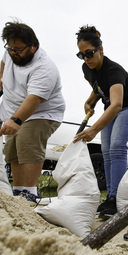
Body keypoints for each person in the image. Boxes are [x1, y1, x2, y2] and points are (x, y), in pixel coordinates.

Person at [74, 25, 128, 216]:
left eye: (89, 53)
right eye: (81, 55)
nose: (86, 58)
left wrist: (93, 129)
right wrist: (90, 101)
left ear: (100, 49)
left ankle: (116, 198)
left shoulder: (114, 70)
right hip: (110, 108)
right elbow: (98, 87)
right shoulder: (87, 68)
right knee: (106, 152)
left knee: (117, 147)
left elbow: (117, 104)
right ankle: (111, 197)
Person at [0, 21, 65, 203]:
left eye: (19, 50)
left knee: (27, 140)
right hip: (13, 111)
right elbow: (3, 70)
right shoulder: (10, 52)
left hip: (41, 113)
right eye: (11, 48)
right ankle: (19, 192)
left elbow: (34, 99)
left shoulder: (44, 67)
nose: (14, 53)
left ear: (33, 46)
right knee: (12, 150)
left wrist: (15, 120)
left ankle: (30, 192)